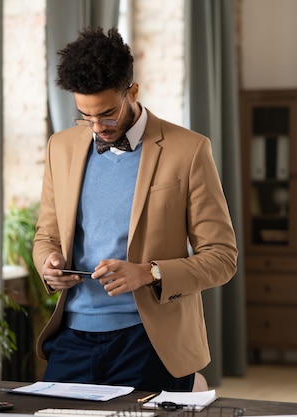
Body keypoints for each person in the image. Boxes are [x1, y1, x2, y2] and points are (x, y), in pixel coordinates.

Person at [32, 27, 238, 392]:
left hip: (149, 341)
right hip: (72, 339)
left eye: (107, 115)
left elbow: (222, 258)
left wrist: (149, 273)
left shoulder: (189, 150)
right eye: (85, 116)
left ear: (133, 91)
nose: (97, 127)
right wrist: (49, 265)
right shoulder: (59, 147)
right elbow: (46, 235)